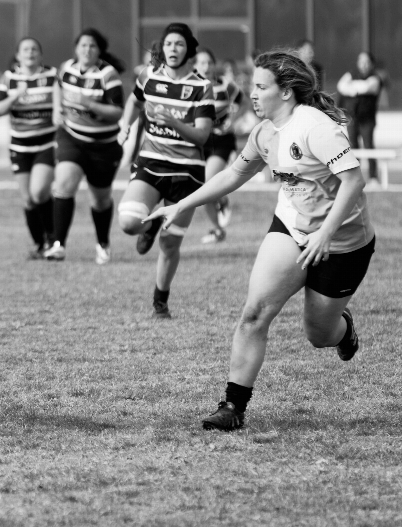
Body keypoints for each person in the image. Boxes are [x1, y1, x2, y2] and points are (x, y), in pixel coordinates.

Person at [145, 50, 375, 431]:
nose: (252, 93)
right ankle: (233, 406)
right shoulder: (264, 132)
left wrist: (326, 233)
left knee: (318, 334)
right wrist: (179, 205)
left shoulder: (316, 127)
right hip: (291, 228)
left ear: (286, 92)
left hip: (344, 241)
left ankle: (343, 330)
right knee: (254, 313)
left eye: (261, 86)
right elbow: (232, 176)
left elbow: (354, 181)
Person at [116, 23, 214, 318]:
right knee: (129, 223)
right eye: (169, 44)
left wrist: (173, 122)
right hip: (151, 162)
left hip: (187, 173)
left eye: (180, 44)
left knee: (170, 244)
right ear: (163, 49)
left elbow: (201, 137)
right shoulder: (149, 76)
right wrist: (125, 124)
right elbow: (134, 102)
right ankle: (151, 224)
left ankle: (160, 302)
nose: (173, 49)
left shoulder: (202, 87)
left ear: (189, 50)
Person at [46, 29, 125, 264]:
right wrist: (56, 110)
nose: (86, 50)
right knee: (63, 183)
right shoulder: (67, 67)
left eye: (92, 46)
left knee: (100, 199)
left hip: (103, 145)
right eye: (82, 45)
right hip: (71, 137)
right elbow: (57, 86)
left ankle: (103, 243)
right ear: (76, 48)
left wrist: (90, 103)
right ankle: (58, 244)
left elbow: (116, 113)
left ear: (99, 50)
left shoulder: (108, 75)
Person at [0, 38, 58, 259]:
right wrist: (16, 95)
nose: (30, 53)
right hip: (20, 145)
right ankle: (40, 244)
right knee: (27, 199)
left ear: (40, 54)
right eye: (25, 49)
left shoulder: (51, 75)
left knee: (39, 192)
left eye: (34, 49)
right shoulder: (9, 78)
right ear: (18, 55)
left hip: (47, 143)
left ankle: (53, 238)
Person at [194, 48, 243, 244]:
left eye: (209, 63)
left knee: (207, 183)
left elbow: (242, 101)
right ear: (195, 65)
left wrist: (233, 119)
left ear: (215, 65)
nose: (206, 67)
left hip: (221, 140)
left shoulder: (225, 85)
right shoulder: (190, 86)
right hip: (199, 140)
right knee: (200, 188)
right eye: (201, 63)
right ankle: (217, 229)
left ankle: (221, 199)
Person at [337, 51, 382, 184]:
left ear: (372, 64)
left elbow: (365, 87)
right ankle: (355, 177)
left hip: (367, 119)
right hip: (352, 118)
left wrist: (351, 87)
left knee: (368, 146)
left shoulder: (376, 78)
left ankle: (373, 177)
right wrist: (353, 87)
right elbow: (341, 86)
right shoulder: (351, 74)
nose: (364, 65)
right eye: (361, 61)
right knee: (353, 147)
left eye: (367, 62)